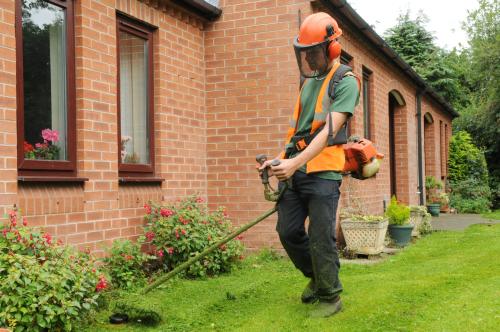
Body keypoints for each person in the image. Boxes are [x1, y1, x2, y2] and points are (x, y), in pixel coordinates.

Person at [259, 12, 360, 318]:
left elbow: (330, 130)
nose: (309, 58)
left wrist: (296, 163)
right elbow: (297, 131)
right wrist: (280, 160)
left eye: (314, 52)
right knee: (287, 231)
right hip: (297, 169)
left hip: (324, 172)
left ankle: (331, 296)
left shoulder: (346, 81)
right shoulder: (306, 84)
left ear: (331, 48)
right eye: (304, 53)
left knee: (320, 236)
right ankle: (316, 278)